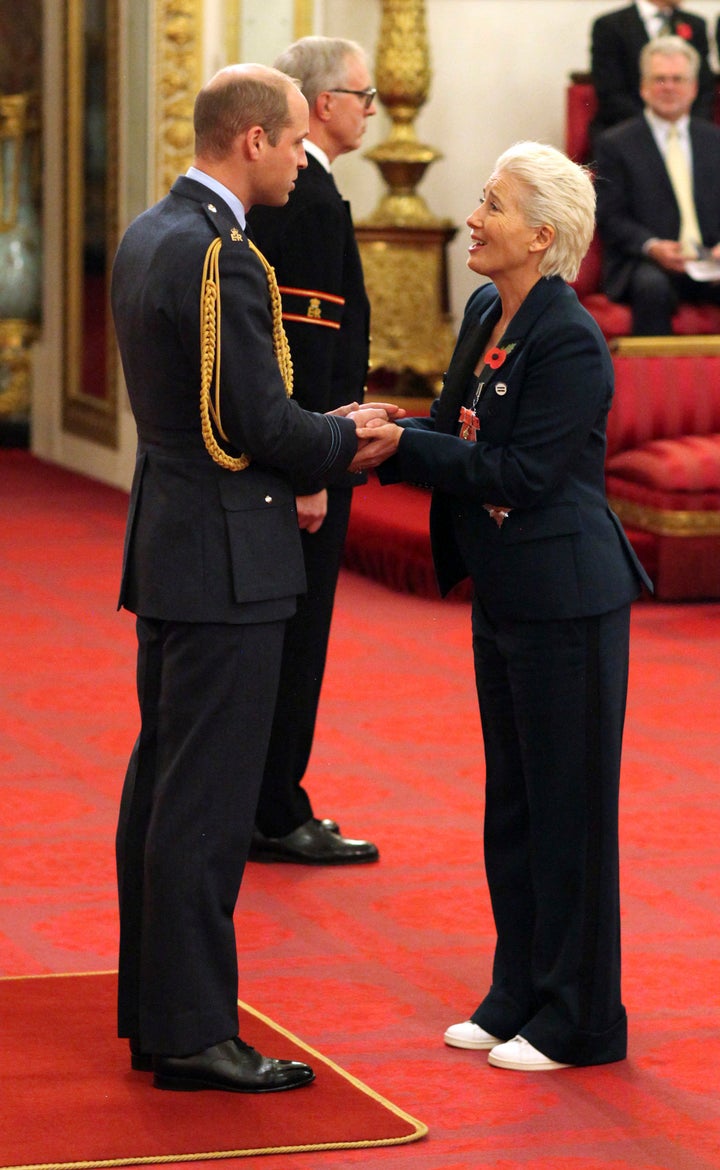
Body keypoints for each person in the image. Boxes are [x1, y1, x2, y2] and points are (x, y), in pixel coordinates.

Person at [111, 63, 397, 1093]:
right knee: (205, 805)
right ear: (251, 141)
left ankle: (159, 1010)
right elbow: (254, 422)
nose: (294, 160)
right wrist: (346, 438)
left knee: (164, 786)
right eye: (286, 143)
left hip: (173, 540)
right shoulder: (223, 257)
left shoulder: (151, 232)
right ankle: (194, 1034)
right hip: (231, 550)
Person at [352, 141, 652, 1071]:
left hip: (570, 600)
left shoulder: (572, 339)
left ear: (543, 236)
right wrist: (388, 428)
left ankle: (582, 1020)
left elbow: (522, 473)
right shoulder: (487, 308)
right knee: (516, 805)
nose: (472, 219)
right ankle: (518, 990)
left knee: (571, 810)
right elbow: (454, 429)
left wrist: (401, 451)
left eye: (491, 206)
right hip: (508, 592)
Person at [246, 37, 378, 866]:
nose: (372, 109)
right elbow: (309, 352)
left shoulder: (295, 195)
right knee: (299, 639)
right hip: (311, 455)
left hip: (297, 449)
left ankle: (269, 798)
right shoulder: (314, 201)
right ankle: (277, 809)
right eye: (364, 95)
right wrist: (318, 470)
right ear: (323, 103)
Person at [594, 36, 720, 336]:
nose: (669, 87)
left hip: (710, 261)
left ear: (693, 88)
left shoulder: (715, 140)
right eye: (659, 79)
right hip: (646, 262)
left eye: (678, 79)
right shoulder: (615, 144)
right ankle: (654, 382)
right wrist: (652, 247)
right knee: (653, 286)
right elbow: (610, 217)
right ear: (644, 87)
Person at [589, 1, 714, 146]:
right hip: (626, 130)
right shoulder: (610, 25)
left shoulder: (695, 24)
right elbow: (611, 93)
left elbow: (704, 88)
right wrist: (655, 128)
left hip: (686, 132)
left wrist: (686, 127)